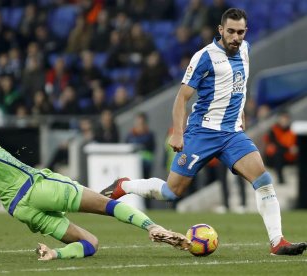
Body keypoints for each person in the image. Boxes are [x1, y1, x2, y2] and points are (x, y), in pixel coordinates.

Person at [100, 8, 307, 256]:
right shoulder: (204, 57)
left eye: (240, 32)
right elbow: (181, 97)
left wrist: (240, 112)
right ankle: (126, 185)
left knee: (263, 180)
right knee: (171, 192)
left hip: (232, 134)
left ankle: (277, 242)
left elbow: (239, 84)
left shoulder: (246, 49)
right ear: (220, 30)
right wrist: (177, 133)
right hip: (201, 134)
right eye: (230, 31)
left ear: (245, 32)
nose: (235, 37)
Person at [0, 98, 190, 261]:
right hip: (38, 187)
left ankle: (53, 254)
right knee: (107, 204)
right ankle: (153, 227)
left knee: (91, 243)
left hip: (20, 210)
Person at [263, 110, 298, 184]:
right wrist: (289, 149)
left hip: (290, 155)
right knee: (278, 153)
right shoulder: (273, 130)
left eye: (286, 118)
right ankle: (281, 180)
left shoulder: (293, 129)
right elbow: (274, 145)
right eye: (283, 118)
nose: (284, 120)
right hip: (275, 158)